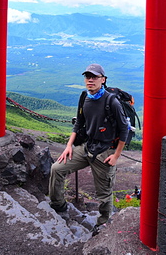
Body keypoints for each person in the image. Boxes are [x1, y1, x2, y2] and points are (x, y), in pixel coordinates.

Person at [48, 63, 129, 232]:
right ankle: (58, 206)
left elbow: (124, 130)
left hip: (105, 152)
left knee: (104, 194)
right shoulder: (84, 97)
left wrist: (116, 156)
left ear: (103, 80)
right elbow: (79, 123)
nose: (90, 80)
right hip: (87, 146)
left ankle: (103, 226)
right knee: (57, 168)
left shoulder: (111, 102)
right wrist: (69, 146)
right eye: (87, 77)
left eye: (94, 77)